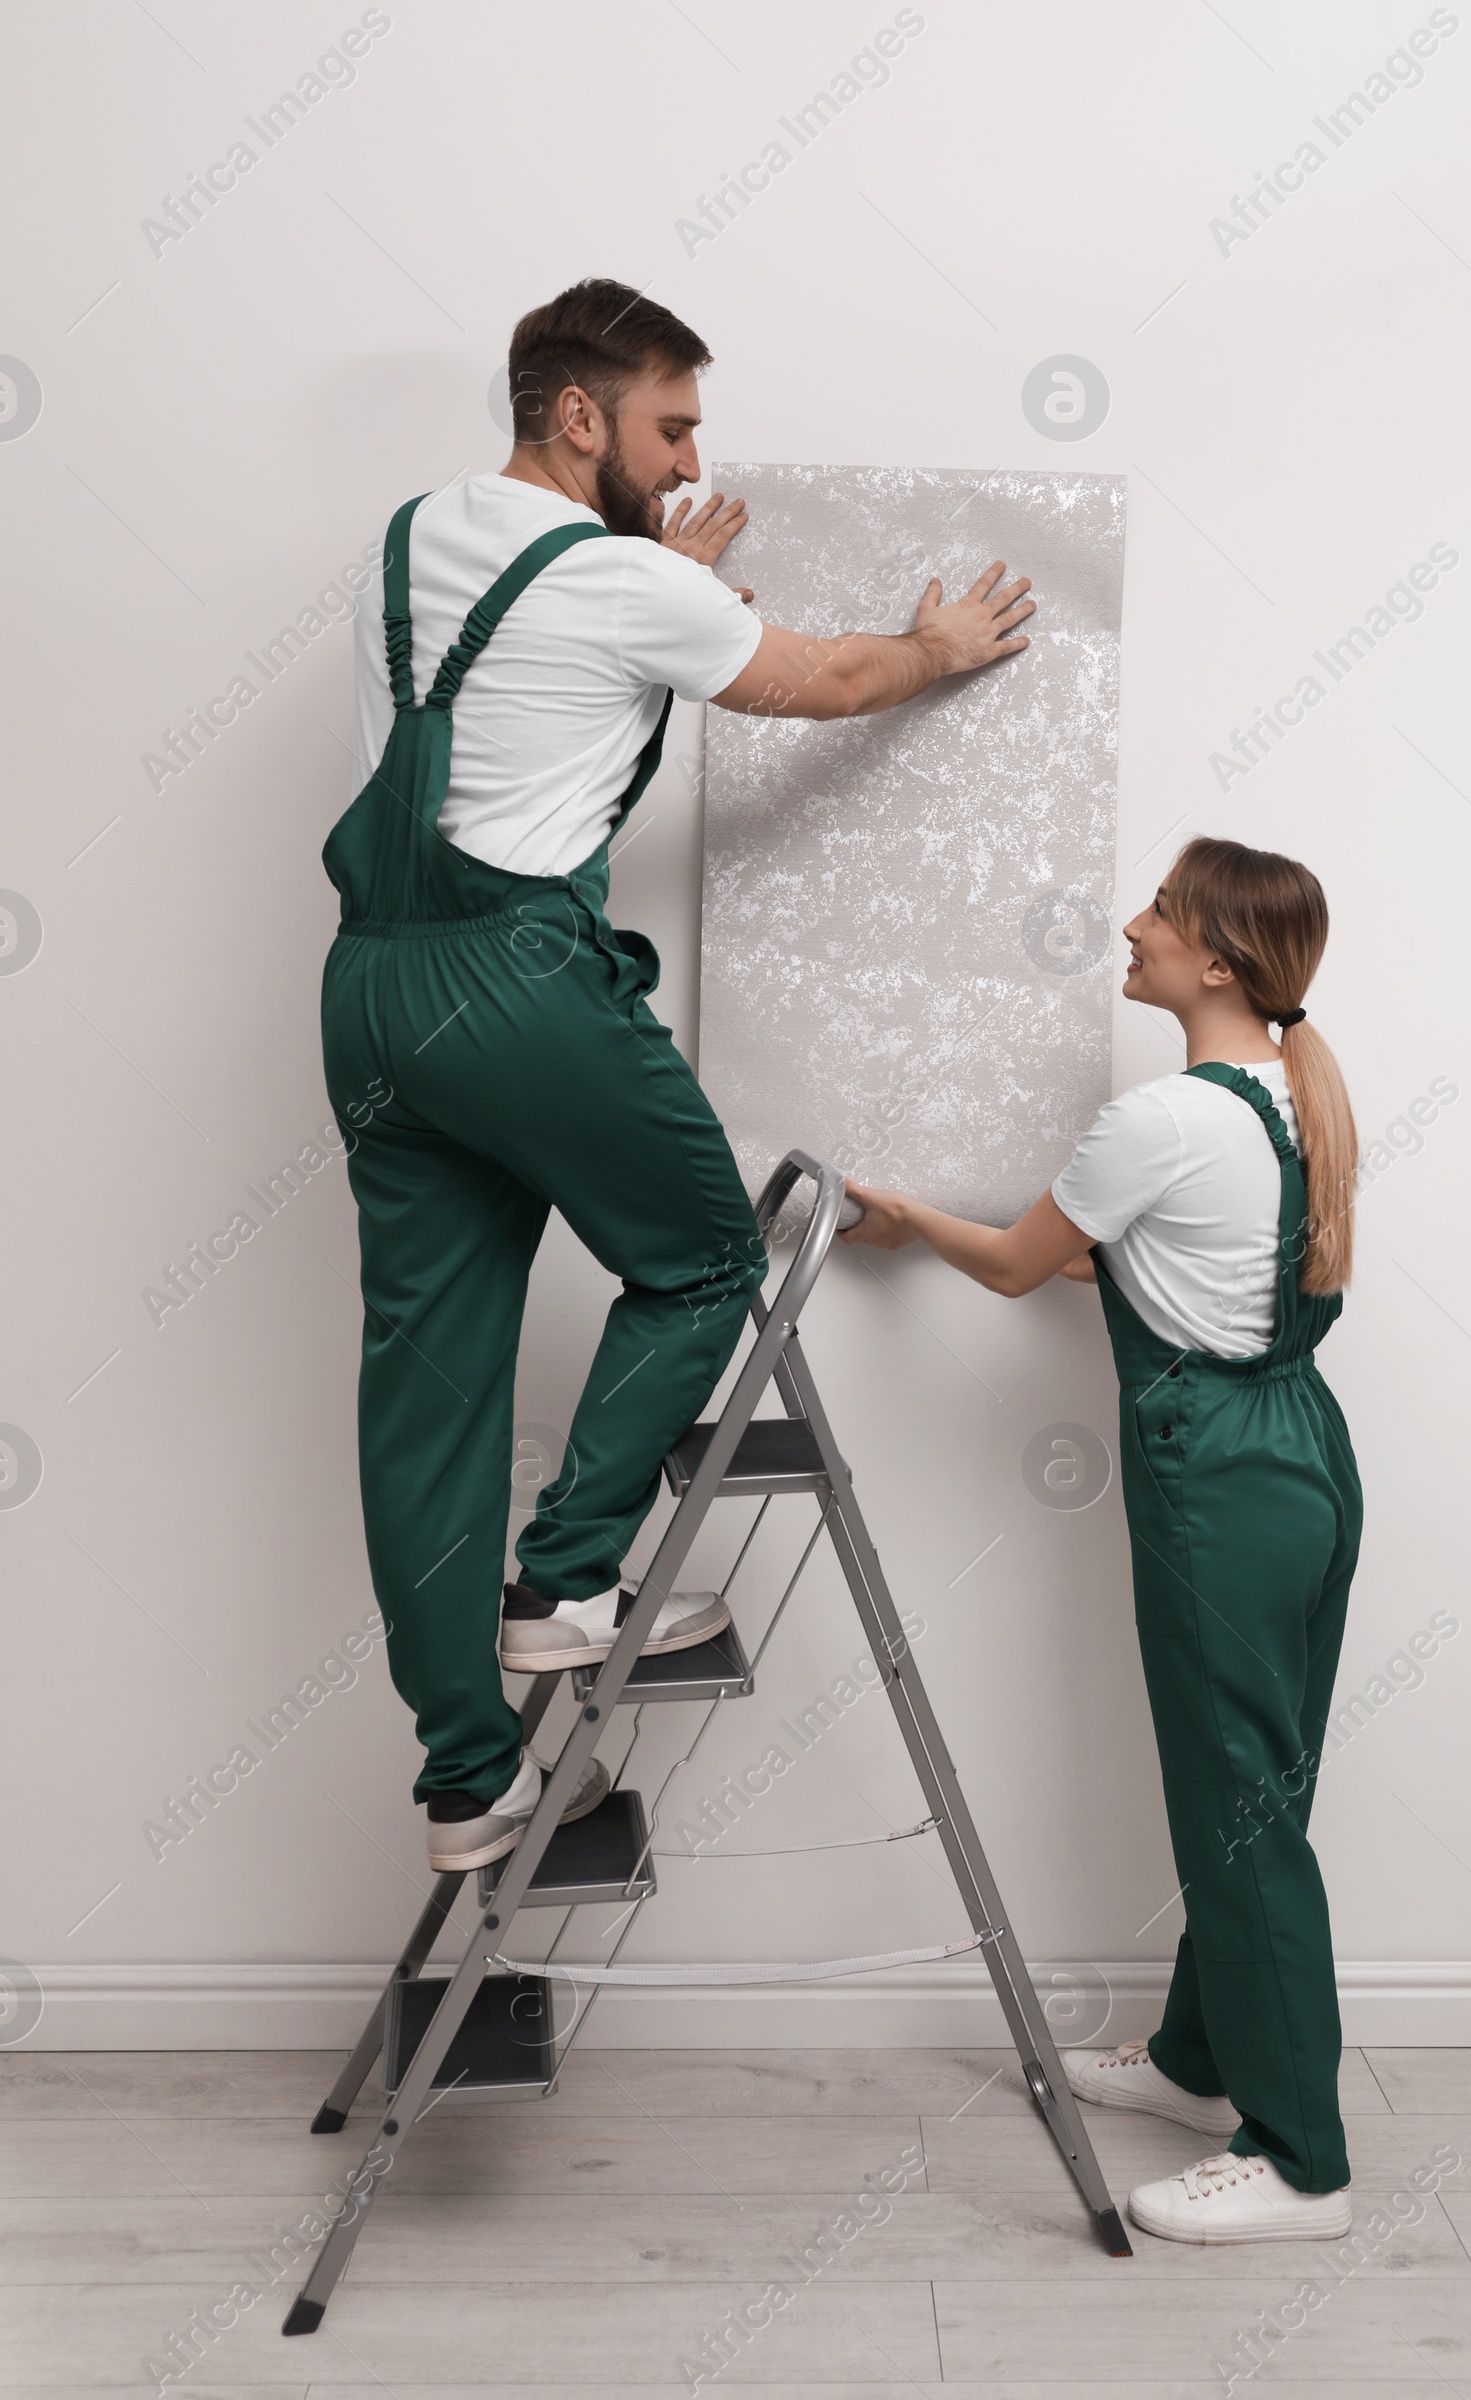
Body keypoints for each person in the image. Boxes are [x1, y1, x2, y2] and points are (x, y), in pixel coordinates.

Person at [323, 277, 1036, 1872]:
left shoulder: (412, 537)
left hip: (371, 987)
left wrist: (649, 577)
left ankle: (467, 1782)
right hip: (514, 978)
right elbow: (829, 681)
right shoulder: (624, 586)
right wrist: (933, 643)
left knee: (424, 1392)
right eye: (671, 424)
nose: (693, 453)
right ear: (578, 415)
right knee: (713, 1252)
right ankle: (570, 1582)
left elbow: (518, 679)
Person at [840, 836, 1363, 2244]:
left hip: (1218, 1477)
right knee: (1258, 1791)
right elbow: (1133, 1254)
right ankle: (1201, 2065)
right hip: (1307, 1452)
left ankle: (1303, 2163)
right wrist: (961, 1225)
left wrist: (908, 1227)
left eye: (1163, 916)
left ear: (1219, 961)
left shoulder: (1159, 1119)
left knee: (1239, 1809)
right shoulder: (1292, 1101)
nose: (1130, 927)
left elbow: (1023, 1267)